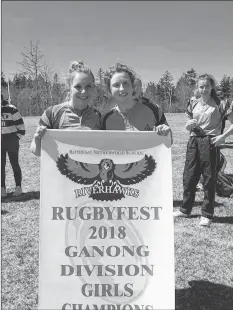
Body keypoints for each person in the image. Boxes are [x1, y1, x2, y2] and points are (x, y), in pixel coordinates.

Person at [174, 73, 233, 226]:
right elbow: (188, 122)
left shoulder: (221, 103)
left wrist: (222, 137)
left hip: (210, 141)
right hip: (193, 140)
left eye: (207, 86)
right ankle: (185, 209)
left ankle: (207, 213)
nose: (204, 89)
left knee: (208, 178)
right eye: (201, 86)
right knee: (189, 176)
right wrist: (188, 125)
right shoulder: (193, 102)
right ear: (197, 88)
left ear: (212, 86)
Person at [30, 61, 101, 156]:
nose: (83, 91)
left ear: (93, 88)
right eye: (78, 86)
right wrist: (37, 139)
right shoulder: (52, 113)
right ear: (69, 87)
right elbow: (36, 151)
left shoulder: (98, 116)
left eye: (88, 86)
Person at [101, 62, 171, 138]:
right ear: (109, 91)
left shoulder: (154, 109)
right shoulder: (105, 119)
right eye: (116, 85)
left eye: (126, 83)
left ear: (132, 86)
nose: (122, 89)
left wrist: (166, 132)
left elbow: (169, 141)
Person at [1, 94, 25, 197]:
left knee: (14, 164)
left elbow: (22, 128)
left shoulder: (12, 109)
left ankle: (18, 187)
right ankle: (2, 188)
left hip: (11, 140)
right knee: (1, 165)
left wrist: (15, 138)